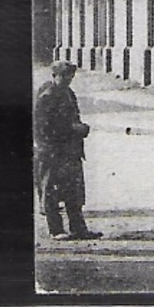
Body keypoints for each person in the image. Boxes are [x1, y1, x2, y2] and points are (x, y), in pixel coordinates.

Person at [34, 61, 101, 240]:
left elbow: (73, 118)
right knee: (51, 191)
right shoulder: (47, 96)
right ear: (54, 76)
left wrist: (79, 128)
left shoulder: (67, 93)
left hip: (70, 151)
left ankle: (78, 229)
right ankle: (56, 230)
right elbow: (44, 127)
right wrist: (74, 129)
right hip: (52, 152)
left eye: (70, 75)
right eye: (64, 75)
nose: (68, 79)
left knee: (74, 191)